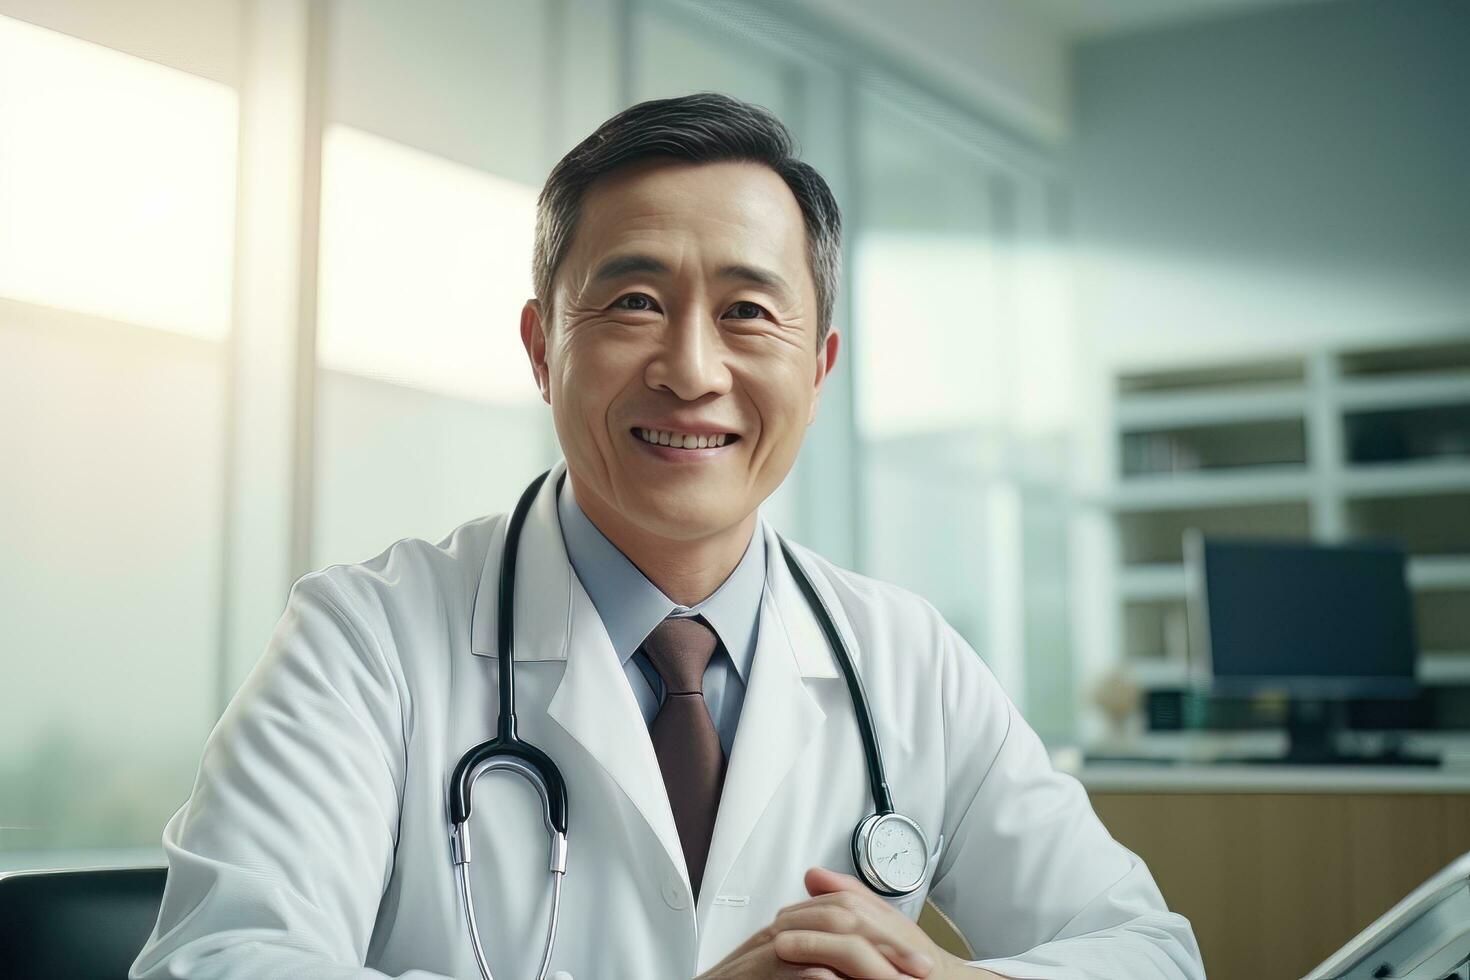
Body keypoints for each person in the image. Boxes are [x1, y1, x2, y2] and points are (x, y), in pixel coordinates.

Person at [131, 93, 1204, 980]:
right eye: (636, 300)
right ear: (542, 346)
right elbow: (224, 958)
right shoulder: (365, 636)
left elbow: (1150, 952)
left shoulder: (905, 657)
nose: (692, 369)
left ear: (819, 368)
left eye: (747, 311)